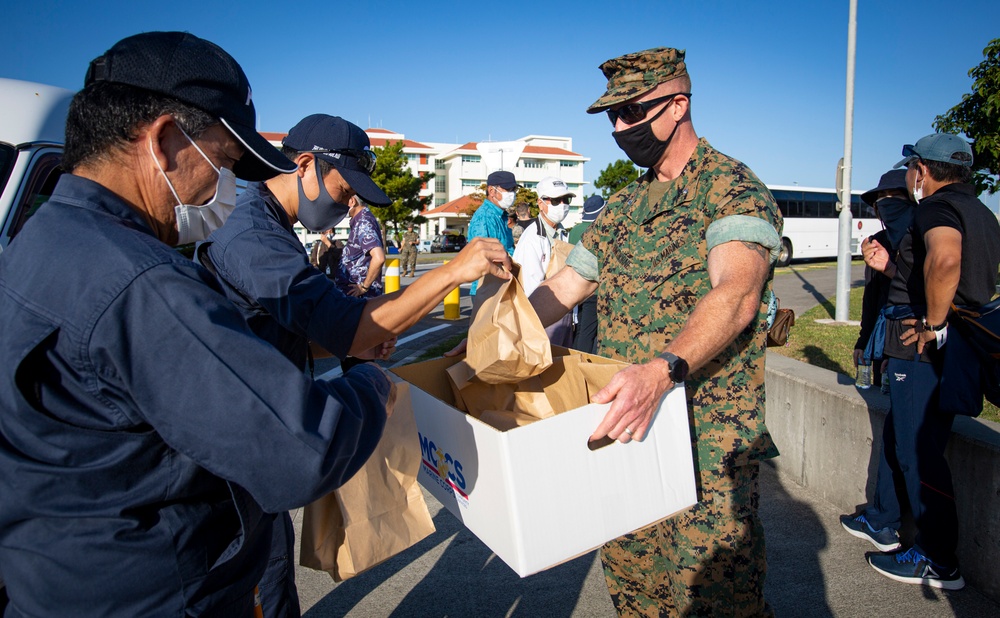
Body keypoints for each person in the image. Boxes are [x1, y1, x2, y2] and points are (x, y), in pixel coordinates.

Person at [0, 32, 397, 617]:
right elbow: (298, 450)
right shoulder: (141, 282)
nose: (223, 187)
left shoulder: (41, 240)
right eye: (226, 162)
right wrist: (372, 387)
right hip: (157, 593)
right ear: (163, 141)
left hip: (57, 579)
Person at [203, 114, 512, 615]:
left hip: (257, 450)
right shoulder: (250, 233)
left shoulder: (274, 226)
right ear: (304, 164)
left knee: (275, 579)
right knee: (257, 589)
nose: (349, 206)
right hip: (236, 459)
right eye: (345, 189)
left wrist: (350, 347)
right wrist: (455, 271)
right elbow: (346, 322)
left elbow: (282, 331)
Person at [526, 47, 782, 615]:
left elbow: (736, 294)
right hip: (627, 430)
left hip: (704, 440)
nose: (621, 128)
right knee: (636, 586)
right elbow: (566, 287)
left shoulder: (731, 189)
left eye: (633, 112)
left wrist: (664, 369)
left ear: (678, 105)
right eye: (612, 118)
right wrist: (500, 327)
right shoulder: (620, 208)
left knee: (713, 595)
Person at [840, 133, 1000, 590]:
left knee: (918, 452)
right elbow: (945, 271)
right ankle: (887, 522)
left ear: (922, 171)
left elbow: (947, 261)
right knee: (909, 438)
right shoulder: (982, 211)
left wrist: (931, 323)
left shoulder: (935, 207)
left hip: (922, 347)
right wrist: (891, 268)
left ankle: (937, 560)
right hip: (955, 345)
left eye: (911, 170)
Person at [852, 170, 915, 389]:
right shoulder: (877, 242)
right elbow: (871, 296)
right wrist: (863, 340)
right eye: (882, 198)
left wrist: (889, 268)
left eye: (895, 195)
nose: (887, 202)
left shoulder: (923, 239)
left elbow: (924, 290)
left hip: (911, 338)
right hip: (881, 337)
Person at [513, 176, 576, 346]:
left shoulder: (562, 233)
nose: (562, 205)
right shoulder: (532, 237)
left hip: (565, 313)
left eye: (566, 199)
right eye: (556, 200)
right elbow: (530, 285)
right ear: (540, 203)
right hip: (542, 316)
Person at [467, 170, 517, 297]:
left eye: (514, 189)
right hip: (487, 289)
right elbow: (483, 256)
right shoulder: (484, 217)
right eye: (508, 189)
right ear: (492, 191)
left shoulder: (501, 216)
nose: (512, 194)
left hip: (501, 286)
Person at [568, 195, 606, 354]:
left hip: (576, 287)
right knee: (589, 332)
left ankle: (575, 358)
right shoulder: (600, 228)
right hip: (594, 288)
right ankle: (582, 363)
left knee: (579, 328)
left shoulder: (575, 230)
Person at [336, 195, 386, 299]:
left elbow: (379, 258)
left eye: (342, 200)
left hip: (360, 297)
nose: (339, 205)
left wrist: (364, 287)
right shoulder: (359, 221)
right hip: (353, 295)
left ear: (352, 201)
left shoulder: (364, 222)